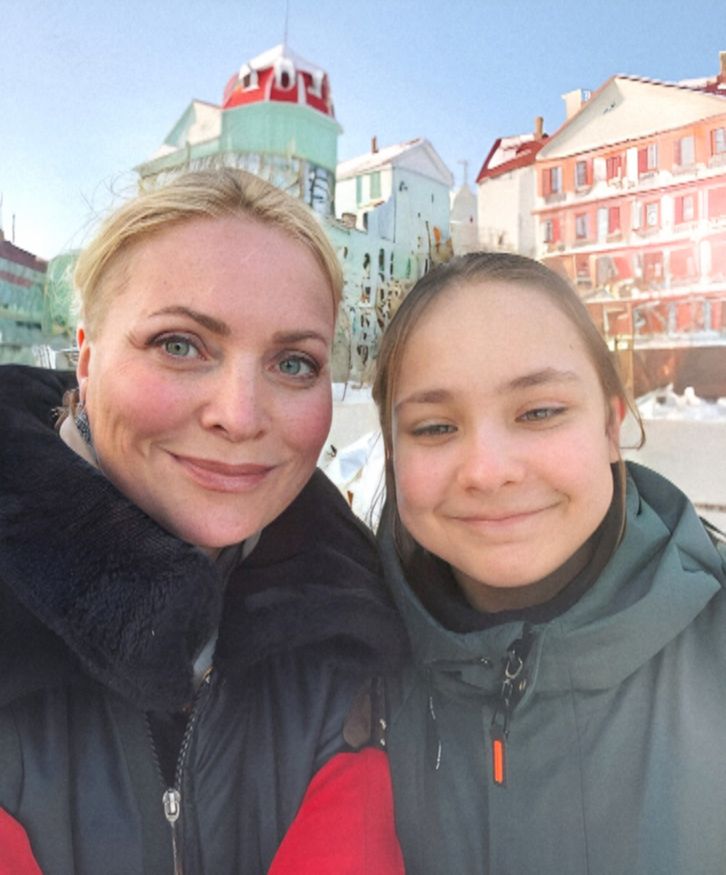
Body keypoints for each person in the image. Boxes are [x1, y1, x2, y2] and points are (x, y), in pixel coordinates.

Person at [0, 169, 405, 874]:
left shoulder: (356, 634)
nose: (240, 416)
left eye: (293, 362)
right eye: (180, 345)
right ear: (86, 360)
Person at [371, 251, 726, 874]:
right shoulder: (340, 671)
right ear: (393, 451)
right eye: (433, 428)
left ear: (611, 426)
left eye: (538, 412)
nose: (488, 471)